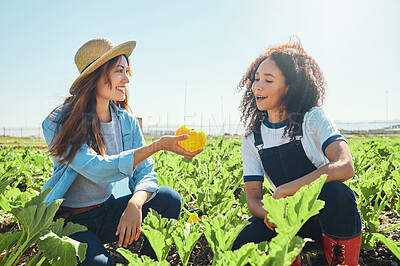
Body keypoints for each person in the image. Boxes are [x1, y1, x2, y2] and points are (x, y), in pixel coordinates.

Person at [42, 37, 202, 265]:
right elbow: (97, 169)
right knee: (101, 263)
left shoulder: (126, 121)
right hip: (70, 222)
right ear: (95, 75)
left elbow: (145, 173)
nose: (127, 79)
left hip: (107, 213)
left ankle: (145, 262)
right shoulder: (59, 122)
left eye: (127, 71)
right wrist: (157, 145)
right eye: (119, 71)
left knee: (169, 199)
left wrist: (135, 203)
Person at [232, 38, 362, 266]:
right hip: (284, 220)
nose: (257, 86)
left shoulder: (312, 119)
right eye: (256, 79)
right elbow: (252, 197)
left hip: (324, 220)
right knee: (241, 243)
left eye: (268, 80)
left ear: (289, 87)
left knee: (338, 194)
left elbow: (345, 165)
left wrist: (285, 190)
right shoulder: (252, 137)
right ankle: (291, 258)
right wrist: (269, 214)